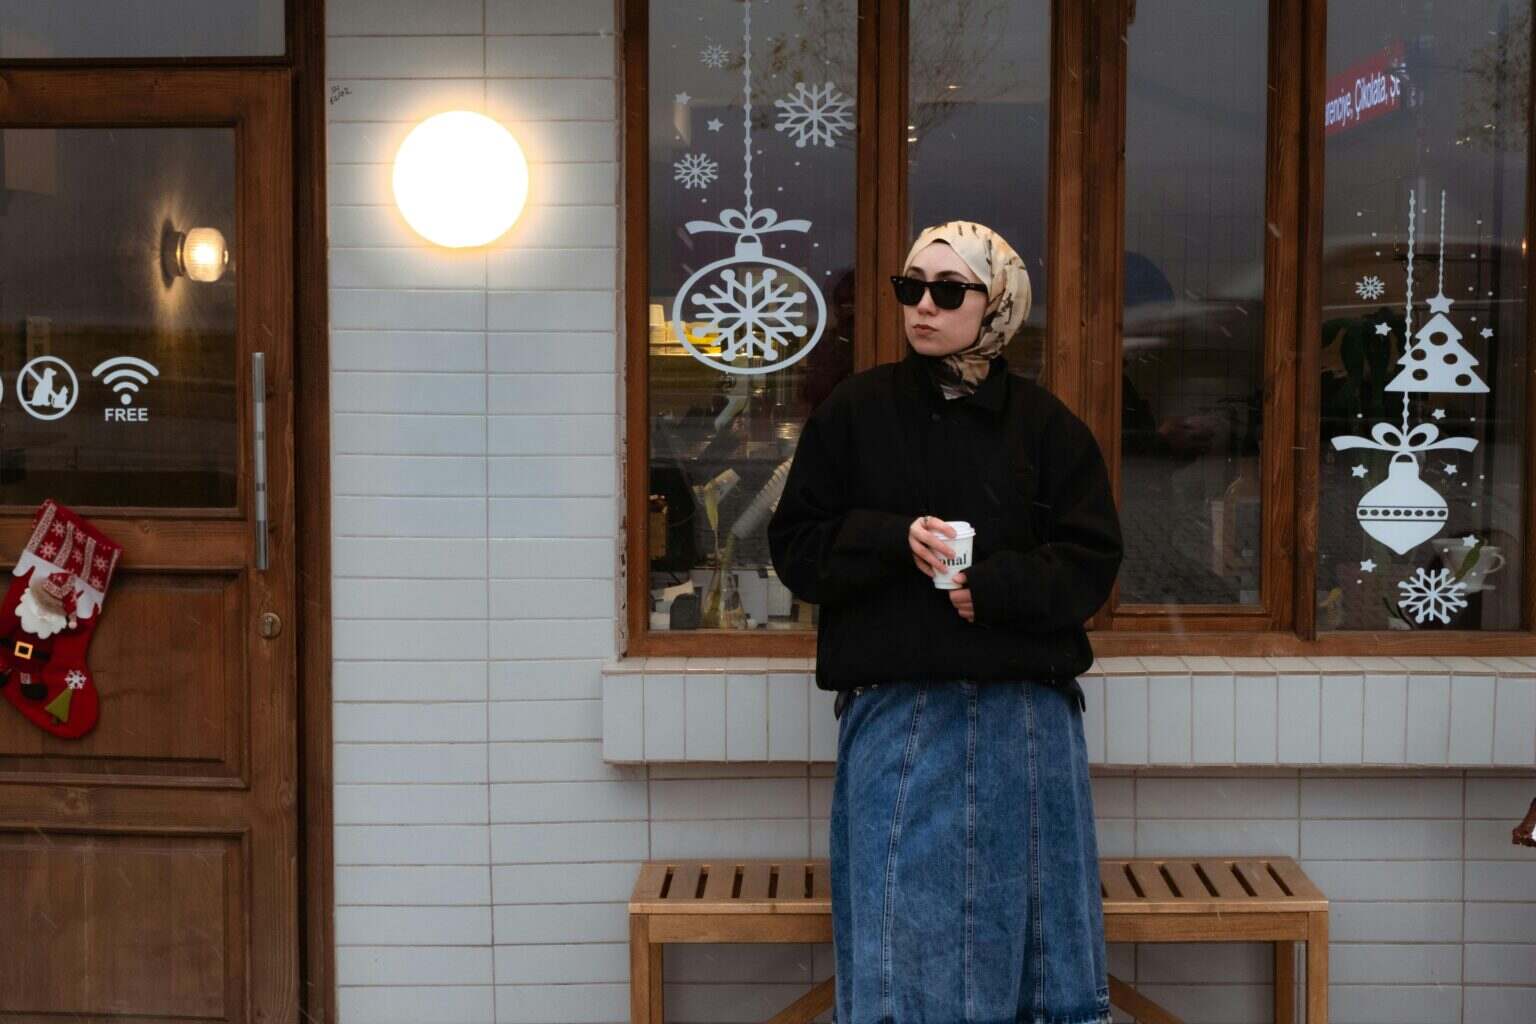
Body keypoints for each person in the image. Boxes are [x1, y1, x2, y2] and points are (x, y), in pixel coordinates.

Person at [767, 220, 1123, 1024]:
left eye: (948, 290)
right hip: (898, 715)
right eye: (909, 288)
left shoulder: (1046, 427)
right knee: (904, 953)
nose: (922, 306)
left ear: (995, 305)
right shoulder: (854, 414)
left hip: (1025, 722)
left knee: (1036, 958)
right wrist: (891, 539)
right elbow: (795, 547)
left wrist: (996, 589)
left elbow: (1092, 561)